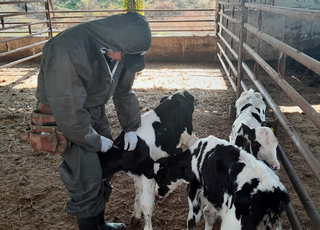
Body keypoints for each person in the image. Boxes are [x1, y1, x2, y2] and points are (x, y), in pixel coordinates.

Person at [35, 12, 152, 230]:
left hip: (93, 112)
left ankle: (99, 224)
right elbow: (68, 107)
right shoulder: (67, 49)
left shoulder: (123, 50)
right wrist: (94, 140)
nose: (127, 61)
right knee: (86, 178)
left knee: (103, 168)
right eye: (126, 56)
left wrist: (131, 127)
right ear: (112, 44)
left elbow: (124, 91)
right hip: (63, 116)